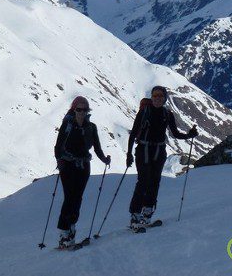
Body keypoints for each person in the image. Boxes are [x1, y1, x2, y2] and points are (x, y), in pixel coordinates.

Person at [126, 85, 198, 229]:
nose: (157, 98)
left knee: (154, 181)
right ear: (151, 97)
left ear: (164, 98)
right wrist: (129, 153)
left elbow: (175, 133)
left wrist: (189, 135)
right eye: (155, 96)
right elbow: (134, 133)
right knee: (143, 181)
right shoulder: (144, 112)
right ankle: (136, 214)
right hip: (144, 150)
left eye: (160, 96)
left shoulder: (167, 114)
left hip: (158, 151)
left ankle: (146, 213)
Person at [54, 96, 111, 248]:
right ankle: (65, 232)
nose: (82, 112)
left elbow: (97, 148)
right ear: (74, 109)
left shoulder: (91, 127)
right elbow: (58, 146)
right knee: (70, 198)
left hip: (84, 166)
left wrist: (104, 159)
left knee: (77, 198)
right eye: (79, 109)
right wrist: (59, 160)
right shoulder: (68, 124)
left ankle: (69, 231)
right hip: (68, 166)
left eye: (85, 109)